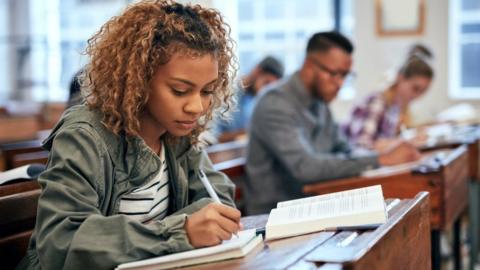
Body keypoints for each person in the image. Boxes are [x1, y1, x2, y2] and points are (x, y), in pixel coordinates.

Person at [17, 1, 242, 269]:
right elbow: (62, 242)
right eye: (180, 90)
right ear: (138, 78)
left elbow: (218, 200)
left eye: (207, 91)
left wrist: (194, 226)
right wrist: (178, 232)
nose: (197, 107)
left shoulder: (177, 133)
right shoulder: (84, 136)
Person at [245, 31, 421, 215]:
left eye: (345, 76)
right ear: (309, 66)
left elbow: (345, 149)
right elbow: (306, 168)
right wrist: (381, 159)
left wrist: (381, 153)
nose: (340, 83)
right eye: (335, 74)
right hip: (275, 216)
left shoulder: (320, 102)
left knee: (393, 209)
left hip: (315, 205)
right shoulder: (275, 103)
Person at [342, 44, 434, 150]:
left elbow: (388, 139)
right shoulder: (377, 102)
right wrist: (404, 143)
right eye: (415, 88)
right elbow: (362, 147)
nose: (417, 96)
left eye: (423, 91)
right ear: (401, 78)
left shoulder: (396, 106)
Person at [214, 56, 284, 142]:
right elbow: (212, 138)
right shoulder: (224, 93)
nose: (265, 91)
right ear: (257, 72)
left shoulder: (253, 100)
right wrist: (247, 133)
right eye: (266, 83)